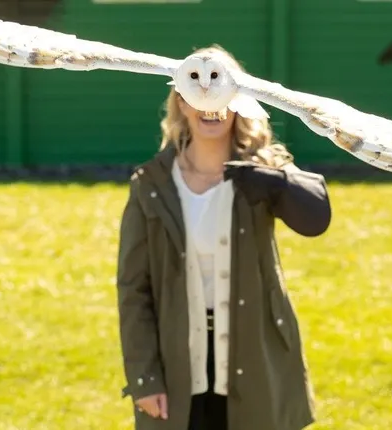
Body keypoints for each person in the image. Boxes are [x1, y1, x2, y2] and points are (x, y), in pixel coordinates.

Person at [115, 45, 332, 430]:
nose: (208, 102)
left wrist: (276, 181)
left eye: (220, 89)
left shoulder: (264, 171)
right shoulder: (151, 184)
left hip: (256, 354)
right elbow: (134, 289)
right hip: (178, 362)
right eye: (195, 90)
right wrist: (144, 377)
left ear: (239, 101)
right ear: (181, 103)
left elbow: (316, 217)